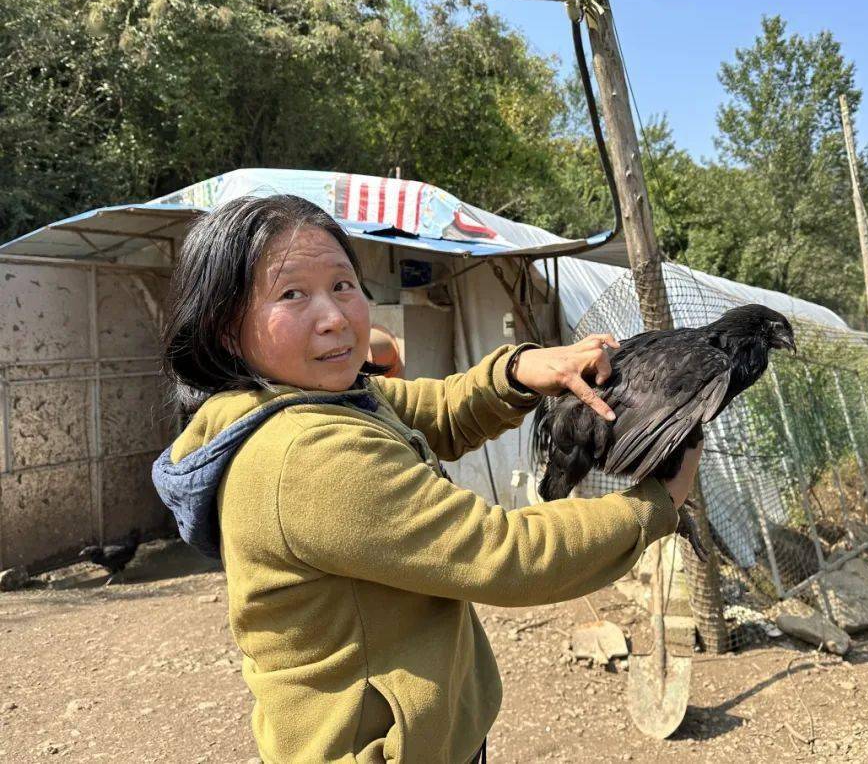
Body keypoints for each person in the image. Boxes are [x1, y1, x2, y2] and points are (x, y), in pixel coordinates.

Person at [152, 194, 703, 764]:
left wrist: (518, 370)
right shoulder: (306, 456)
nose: (335, 317)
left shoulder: (316, 400)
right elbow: (507, 556)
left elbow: (433, 408)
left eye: (343, 285)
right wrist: (654, 505)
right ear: (223, 330)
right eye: (292, 294)